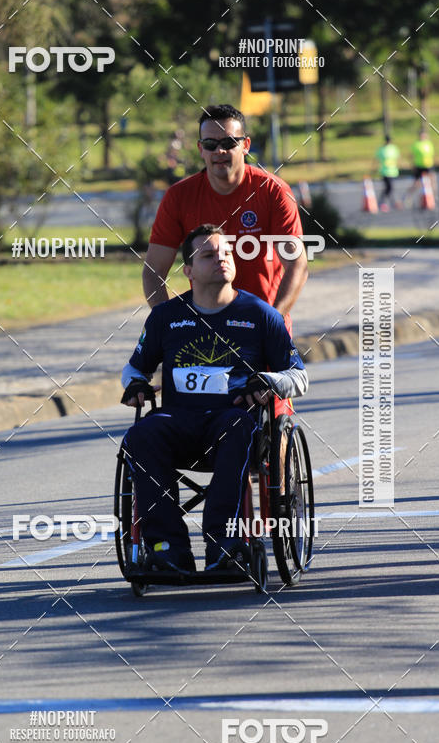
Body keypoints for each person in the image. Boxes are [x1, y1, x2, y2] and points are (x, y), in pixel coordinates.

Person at [121, 225, 308, 574]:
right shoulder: (166, 317)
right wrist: (135, 386)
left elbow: (299, 376)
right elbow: (134, 369)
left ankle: (226, 544)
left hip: (232, 420)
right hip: (178, 422)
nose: (221, 259)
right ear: (188, 271)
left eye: (226, 254)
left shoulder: (261, 315)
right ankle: (166, 549)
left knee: (236, 428)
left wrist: (267, 380)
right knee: (140, 436)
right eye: (209, 255)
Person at [143, 104, 307, 417]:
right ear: (200, 150)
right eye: (210, 145)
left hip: (262, 323)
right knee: (200, 422)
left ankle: (276, 464)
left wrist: (272, 320)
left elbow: (297, 266)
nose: (220, 151)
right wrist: (171, 325)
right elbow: (153, 273)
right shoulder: (179, 197)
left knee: (273, 424)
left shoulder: (272, 192)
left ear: (245, 145)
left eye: (229, 143)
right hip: (203, 331)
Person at [375, 135, 400, 211]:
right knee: (389, 187)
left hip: (393, 171)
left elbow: (398, 158)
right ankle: (390, 203)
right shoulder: (382, 149)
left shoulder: (394, 149)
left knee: (389, 188)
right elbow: (376, 159)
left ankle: (383, 202)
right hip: (385, 171)